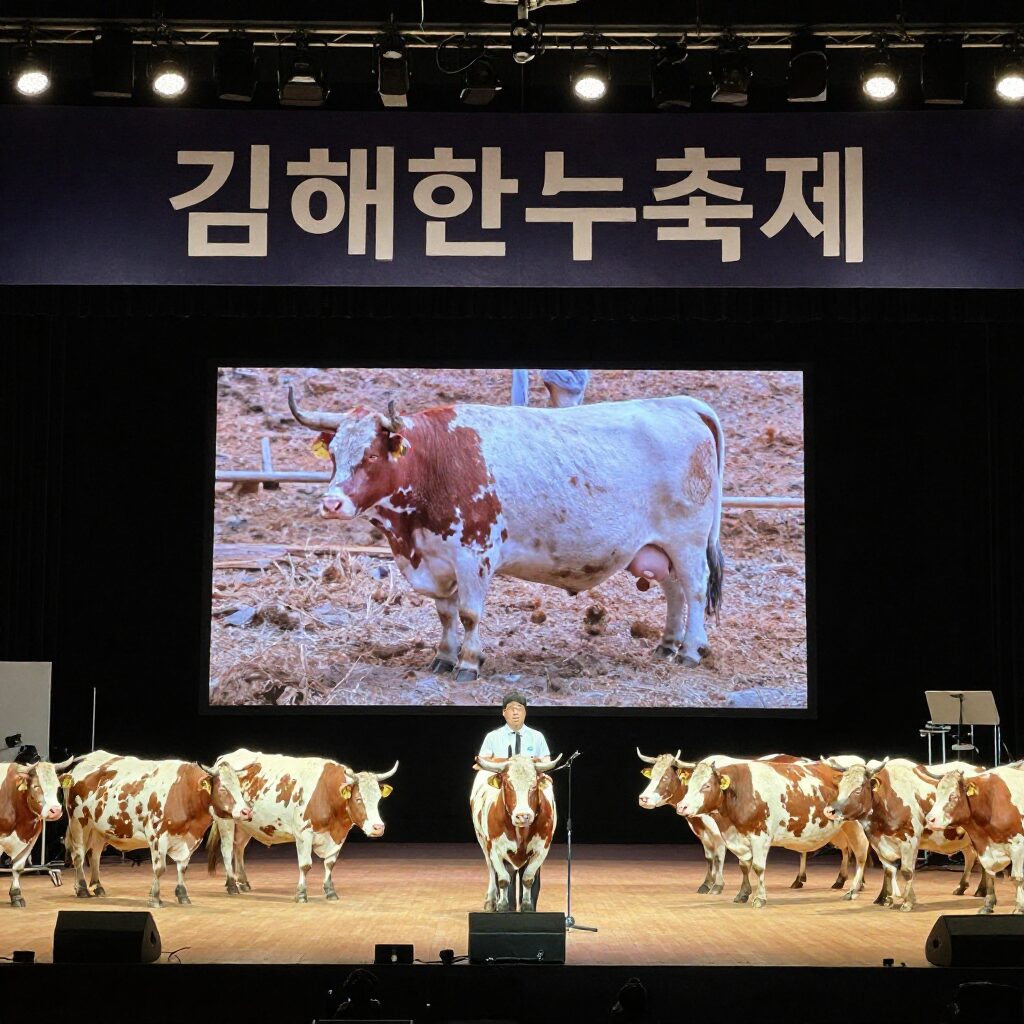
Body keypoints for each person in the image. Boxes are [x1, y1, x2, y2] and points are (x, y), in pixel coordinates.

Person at [478, 690, 550, 910]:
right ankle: (504, 903)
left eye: (519, 709)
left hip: (528, 794)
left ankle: (530, 907)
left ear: (525, 712)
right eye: (511, 709)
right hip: (504, 793)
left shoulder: (536, 737)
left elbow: (545, 761)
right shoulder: (493, 737)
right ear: (504, 713)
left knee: (548, 795)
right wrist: (507, 764)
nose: (515, 713)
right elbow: (483, 761)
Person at [511, 369, 591, 408]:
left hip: (574, 382)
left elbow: (581, 380)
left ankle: (518, 407)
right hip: (575, 382)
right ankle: (518, 408)